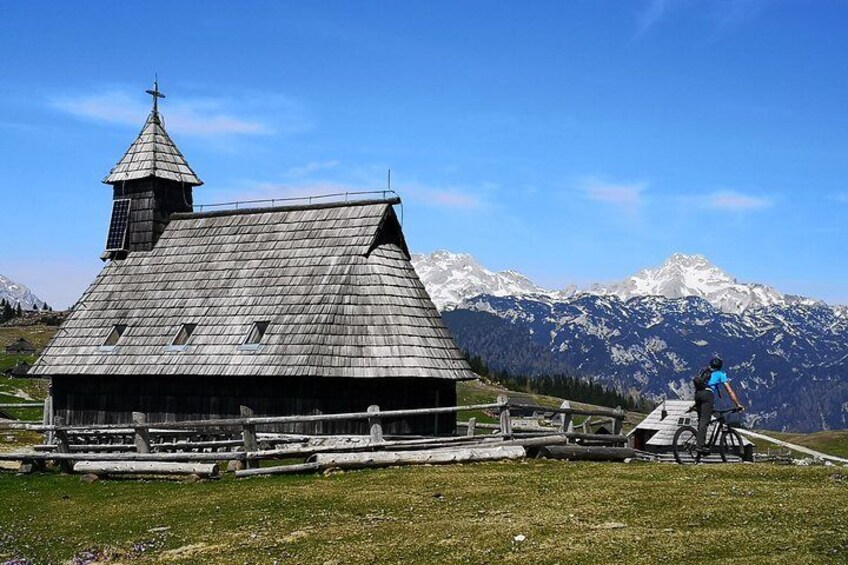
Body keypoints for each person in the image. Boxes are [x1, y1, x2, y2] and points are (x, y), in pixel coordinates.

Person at [695, 356, 744, 455]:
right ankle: (700, 446)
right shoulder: (720, 374)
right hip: (707, 395)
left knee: (701, 421)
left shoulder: (705, 371)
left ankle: (700, 446)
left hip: (697, 394)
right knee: (705, 421)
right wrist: (738, 404)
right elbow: (729, 391)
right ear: (720, 366)